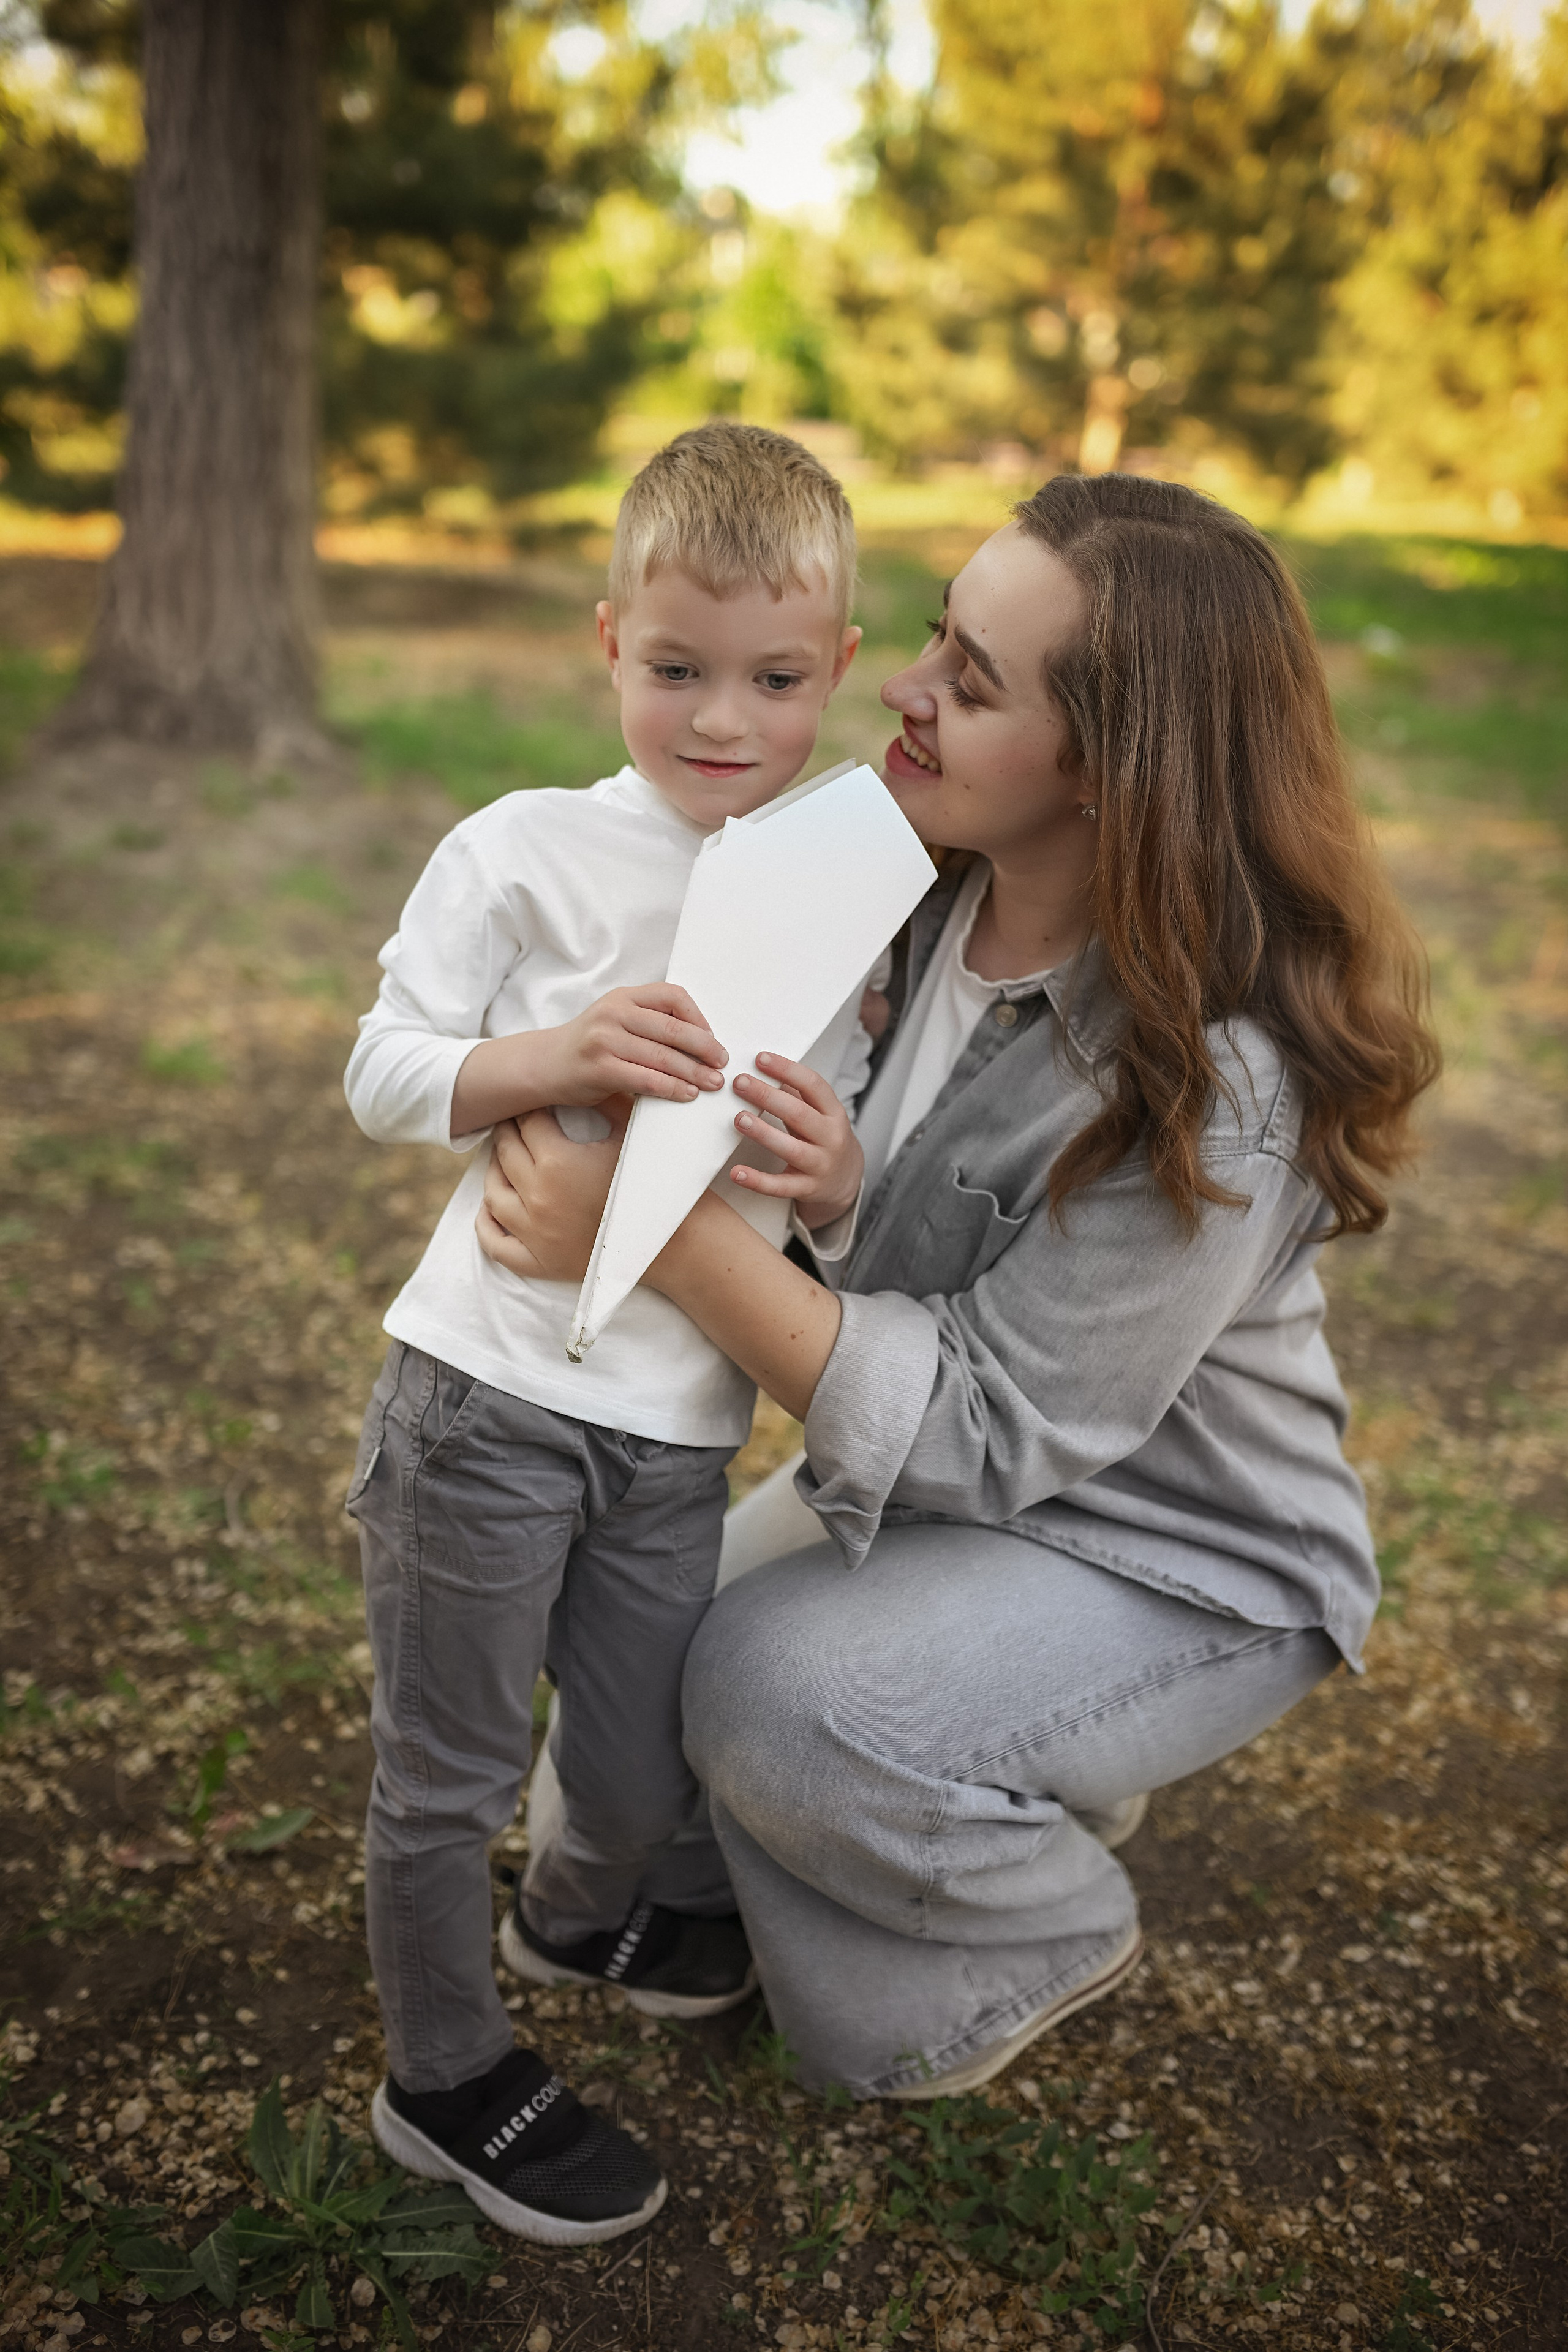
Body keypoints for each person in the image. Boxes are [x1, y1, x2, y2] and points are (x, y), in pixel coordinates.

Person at [474, 473, 1440, 2101]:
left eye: (972, 683)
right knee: (623, 1704)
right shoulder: (895, 887)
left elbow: (988, 1427)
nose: (903, 687)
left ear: (1110, 767)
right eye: (936, 636)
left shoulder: (1219, 1079)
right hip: (945, 1491)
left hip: (1173, 1546)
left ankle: (1048, 1909)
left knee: (773, 1718)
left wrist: (647, 1232)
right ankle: (981, 1738)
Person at [341, 423, 876, 2239]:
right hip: (483, 1402)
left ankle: (574, 1920)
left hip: (678, 1434)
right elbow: (385, 1068)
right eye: (676, 668)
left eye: (775, 679)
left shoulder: (845, 903)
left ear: (838, 669)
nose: (722, 719)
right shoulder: (529, 850)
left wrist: (833, 1182)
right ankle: (442, 2074)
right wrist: (551, 1054)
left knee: (638, 1767)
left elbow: (818, 1188)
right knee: (453, 1773)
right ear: (609, 641)